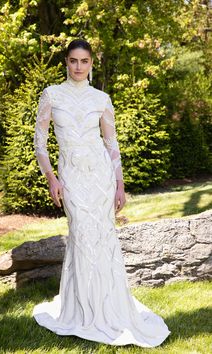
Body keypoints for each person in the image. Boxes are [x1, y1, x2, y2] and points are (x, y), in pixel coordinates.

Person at [32, 39, 171, 347]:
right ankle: (80, 310)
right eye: (73, 61)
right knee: (80, 233)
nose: (78, 66)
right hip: (71, 177)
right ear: (66, 63)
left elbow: (112, 146)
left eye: (84, 61)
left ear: (91, 64)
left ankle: (109, 307)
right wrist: (52, 179)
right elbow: (40, 145)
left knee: (103, 237)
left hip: (101, 179)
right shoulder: (51, 95)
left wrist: (119, 185)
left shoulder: (102, 98)